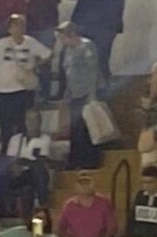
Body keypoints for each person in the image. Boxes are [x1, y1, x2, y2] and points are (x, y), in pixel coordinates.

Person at [0, 16, 50, 146]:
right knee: (5, 124)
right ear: (9, 29)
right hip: (1, 89)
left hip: (23, 89)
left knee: (22, 123)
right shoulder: (2, 43)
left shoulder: (32, 43)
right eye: (16, 25)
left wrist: (35, 65)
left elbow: (48, 55)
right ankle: (6, 152)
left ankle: (23, 151)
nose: (20, 28)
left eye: (22, 25)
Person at [57, 21, 101, 171]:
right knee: (75, 129)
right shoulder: (66, 51)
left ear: (71, 34)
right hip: (73, 94)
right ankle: (76, 160)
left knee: (87, 127)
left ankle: (90, 160)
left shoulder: (86, 46)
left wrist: (92, 94)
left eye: (63, 37)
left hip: (86, 93)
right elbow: (68, 73)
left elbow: (92, 70)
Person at [70, 0, 124, 83]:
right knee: (88, 60)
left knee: (99, 60)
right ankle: (92, 90)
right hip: (98, 24)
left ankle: (98, 89)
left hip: (100, 25)